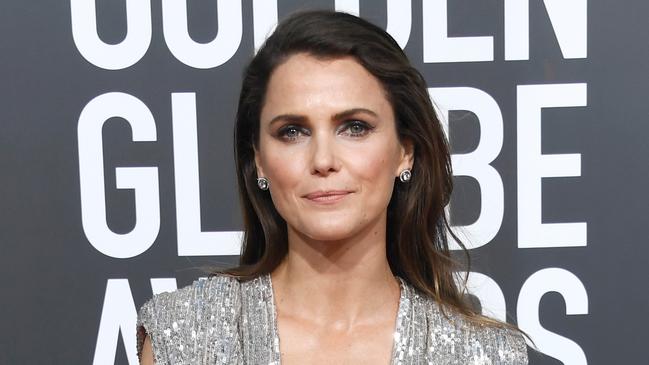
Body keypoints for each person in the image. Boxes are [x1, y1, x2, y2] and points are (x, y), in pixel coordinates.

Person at [136, 10, 528, 364]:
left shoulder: (490, 356)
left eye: (355, 127)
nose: (323, 160)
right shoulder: (183, 341)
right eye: (292, 132)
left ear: (405, 151)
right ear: (258, 159)